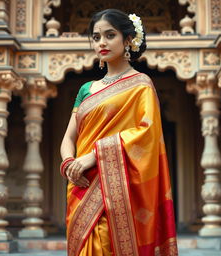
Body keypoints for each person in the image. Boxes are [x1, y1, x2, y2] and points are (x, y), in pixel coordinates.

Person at [60, 9, 178, 256]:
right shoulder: (86, 89)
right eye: (96, 37)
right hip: (81, 184)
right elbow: (69, 138)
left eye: (109, 35)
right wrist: (69, 164)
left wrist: (94, 157)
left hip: (119, 190)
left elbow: (147, 135)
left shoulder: (141, 85)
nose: (101, 42)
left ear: (127, 40)